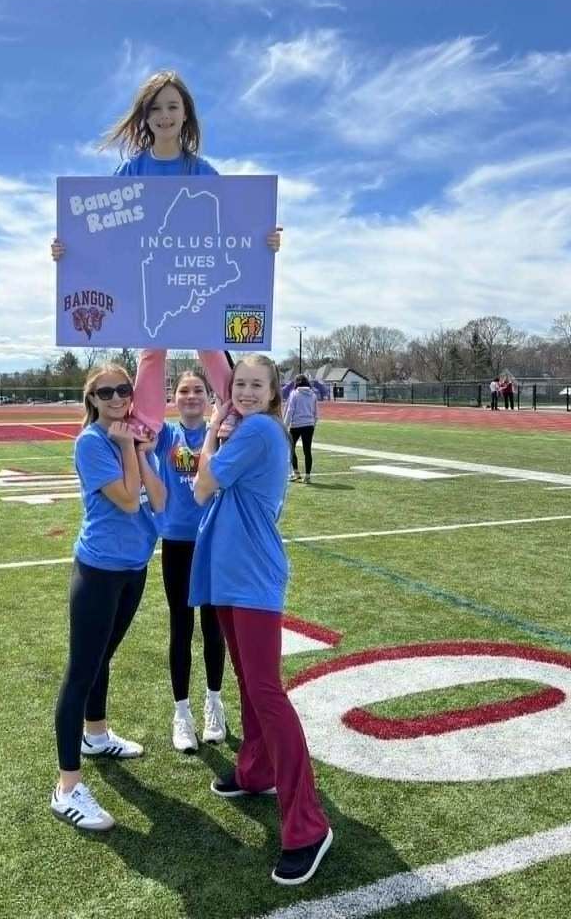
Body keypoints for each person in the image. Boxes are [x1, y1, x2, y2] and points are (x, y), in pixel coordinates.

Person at [51, 68, 282, 436]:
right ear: (145, 116)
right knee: (151, 350)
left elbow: (233, 225)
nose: (165, 115)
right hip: (152, 277)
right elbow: (102, 227)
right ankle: (146, 425)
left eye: (173, 106)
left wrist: (263, 241)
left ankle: (233, 411)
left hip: (196, 273)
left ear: (186, 113)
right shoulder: (131, 170)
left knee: (209, 343)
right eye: (156, 108)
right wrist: (70, 249)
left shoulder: (202, 171)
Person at [190, 355, 333, 887]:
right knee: (248, 682)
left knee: (267, 691)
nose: (246, 392)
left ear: (275, 393)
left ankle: (309, 826)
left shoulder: (259, 433)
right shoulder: (246, 431)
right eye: (239, 384)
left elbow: (202, 486)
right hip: (230, 571)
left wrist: (210, 433)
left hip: (251, 575)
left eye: (256, 385)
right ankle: (257, 771)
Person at [50, 365, 166, 832]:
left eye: (124, 389)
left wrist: (141, 450)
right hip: (99, 569)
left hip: (134, 566)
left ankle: (95, 736)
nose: (118, 397)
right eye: (107, 392)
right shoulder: (93, 442)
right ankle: (66, 787)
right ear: (92, 398)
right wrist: (126, 446)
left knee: (104, 658)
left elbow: (157, 501)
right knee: (82, 669)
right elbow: (127, 500)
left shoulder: (136, 438)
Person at [133, 355, 232, 752]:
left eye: (198, 390)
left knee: (213, 626)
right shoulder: (166, 435)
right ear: (173, 400)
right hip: (176, 540)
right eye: (183, 391)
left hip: (213, 539)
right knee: (181, 625)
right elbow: (143, 410)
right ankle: (182, 713)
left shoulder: (222, 432)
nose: (191, 396)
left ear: (210, 398)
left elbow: (231, 388)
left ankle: (214, 703)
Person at [284, 373, 318, 483]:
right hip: (309, 425)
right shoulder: (313, 395)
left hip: (296, 425)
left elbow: (290, 411)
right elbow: (316, 413)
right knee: (307, 450)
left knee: (290, 448)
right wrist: (313, 423)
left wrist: (285, 425)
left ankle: (296, 472)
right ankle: (307, 476)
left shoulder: (294, 394)